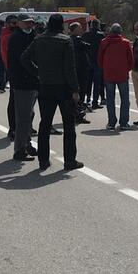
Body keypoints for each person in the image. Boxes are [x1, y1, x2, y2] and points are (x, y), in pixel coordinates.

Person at [21, 14, 84, 171]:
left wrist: (37, 72)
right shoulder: (65, 40)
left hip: (45, 85)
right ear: (61, 24)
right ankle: (69, 160)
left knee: (45, 124)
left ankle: (43, 160)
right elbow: (70, 68)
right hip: (63, 87)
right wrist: (75, 89)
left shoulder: (39, 39)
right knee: (69, 125)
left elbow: (24, 58)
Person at [7, 16, 40, 161]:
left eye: (31, 22)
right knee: (23, 117)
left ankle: (26, 144)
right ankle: (19, 149)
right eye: (26, 22)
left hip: (32, 82)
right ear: (19, 23)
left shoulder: (33, 35)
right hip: (21, 82)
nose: (29, 25)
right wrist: (36, 71)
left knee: (29, 115)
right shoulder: (16, 38)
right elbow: (22, 60)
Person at [98, 24, 134, 130]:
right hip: (122, 74)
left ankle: (111, 122)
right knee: (125, 99)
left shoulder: (104, 42)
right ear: (120, 32)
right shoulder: (125, 43)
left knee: (110, 99)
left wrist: (104, 68)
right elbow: (131, 60)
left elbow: (99, 58)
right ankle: (123, 122)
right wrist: (127, 69)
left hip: (108, 74)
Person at [69, 22, 92, 123]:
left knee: (79, 92)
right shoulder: (75, 40)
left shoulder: (73, 39)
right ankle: (78, 114)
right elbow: (87, 46)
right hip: (79, 70)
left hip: (78, 69)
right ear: (74, 30)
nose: (81, 29)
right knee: (80, 93)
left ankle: (76, 113)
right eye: (79, 28)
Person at [82, 20, 107, 109]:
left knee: (87, 83)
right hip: (97, 61)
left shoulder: (85, 35)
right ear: (98, 25)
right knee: (97, 83)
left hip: (87, 62)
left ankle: (87, 99)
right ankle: (95, 102)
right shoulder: (101, 36)